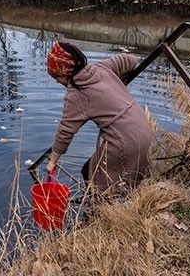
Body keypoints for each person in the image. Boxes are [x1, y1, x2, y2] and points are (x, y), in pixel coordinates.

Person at [45, 40, 153, 195]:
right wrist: (117, 82)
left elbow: (65, 131)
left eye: (57, 76)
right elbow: (131, 60)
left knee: (92, 176)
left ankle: (97, 212)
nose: (57, 81)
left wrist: (53, 161)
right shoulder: (102, 68)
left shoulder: (76, 93)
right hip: (144, 130)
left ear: (65, 72)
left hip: (125, 141)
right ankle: (129, 203)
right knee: (127, 179)